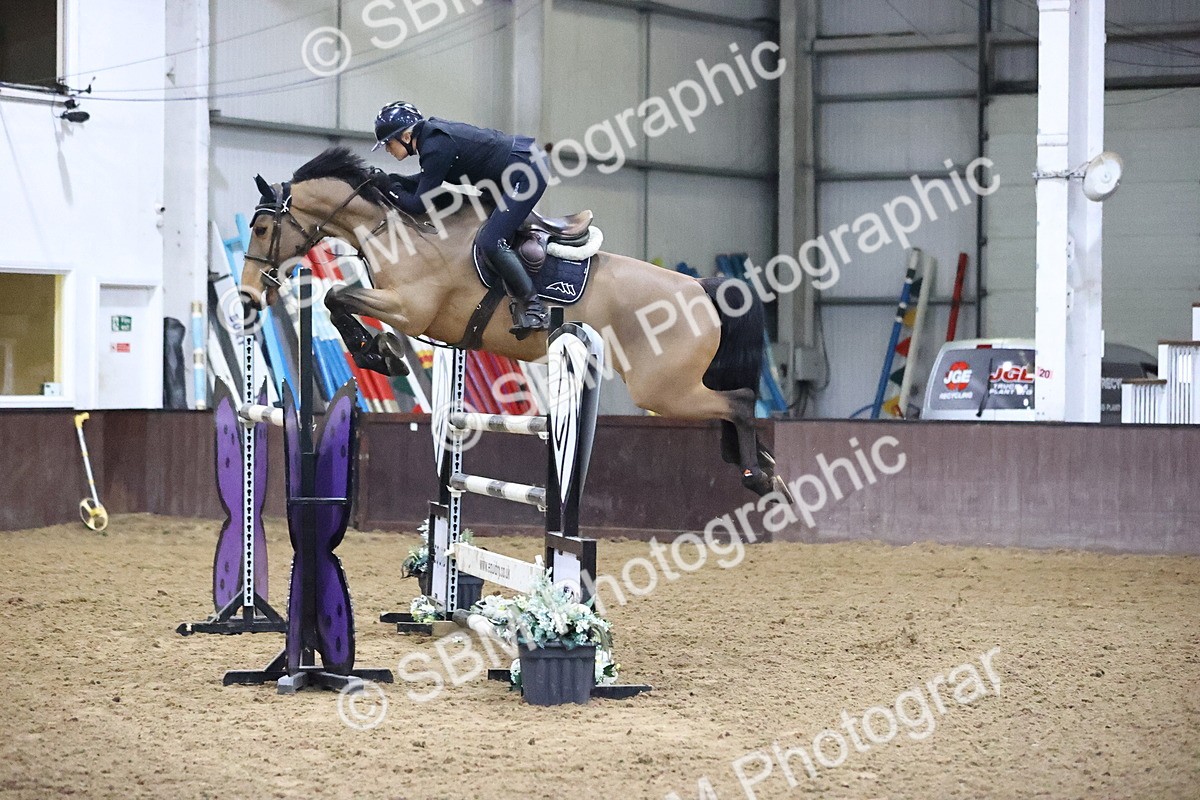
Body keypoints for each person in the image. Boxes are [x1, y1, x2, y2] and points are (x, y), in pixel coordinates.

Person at [371, 101, 549, 339]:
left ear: (405, 135)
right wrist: (392, 180)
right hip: (510, 170)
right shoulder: (431, 142)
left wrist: (388, 187)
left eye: (388, 143)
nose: (388, 150)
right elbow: (427, 181)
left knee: (490, 241)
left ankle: (534, 308)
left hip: (527, 171)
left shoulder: (435, 147)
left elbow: (418, 204)